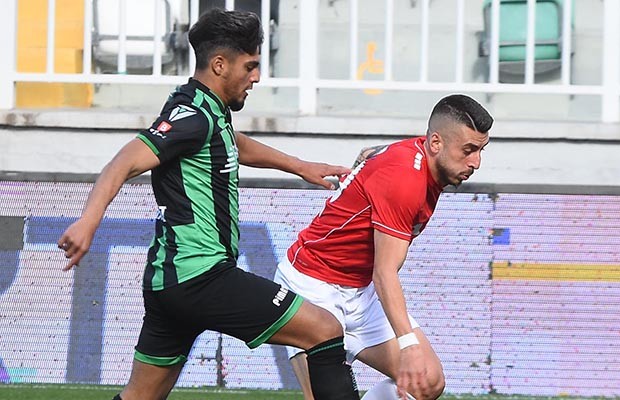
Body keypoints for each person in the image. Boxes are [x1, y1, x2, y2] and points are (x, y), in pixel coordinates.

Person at [57, 9, 360, 400]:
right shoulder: (192, 117)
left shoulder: (203, 107)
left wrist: (299, 166)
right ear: (220, 65)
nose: (256, 77)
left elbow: (234, 142)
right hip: (200, 276)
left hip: (171, 281)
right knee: (325, 329)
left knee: (140, 397)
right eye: (250, 66)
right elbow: (124, 161)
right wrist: (89, 221)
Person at [274, 94, 493, 400]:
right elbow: (385, 273)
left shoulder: (423, 157)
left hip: (358, 292)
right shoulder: (406, 182)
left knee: (427, 382)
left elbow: (374, 153)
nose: (476, 162)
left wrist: (369, 161)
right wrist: (408, 344)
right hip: (312, 286)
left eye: (481, 150)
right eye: (468, 150)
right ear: (435, 143)